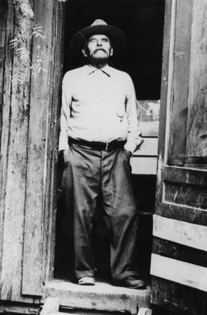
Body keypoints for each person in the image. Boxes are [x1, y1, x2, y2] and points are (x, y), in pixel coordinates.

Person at [58, 19, 145, 289]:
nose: (100, 44)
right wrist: (66, 152)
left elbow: (134, 121)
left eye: (105, 41)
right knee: (79, 213)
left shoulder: (123, 79)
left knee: (125, 212)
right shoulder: (72, 77)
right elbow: (63, 117)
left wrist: (128, 150)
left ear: (111, 50)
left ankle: (124, 272)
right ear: (85, 51)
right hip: (80, 153)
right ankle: (84, 271)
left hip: (116, 153)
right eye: (94, 40)